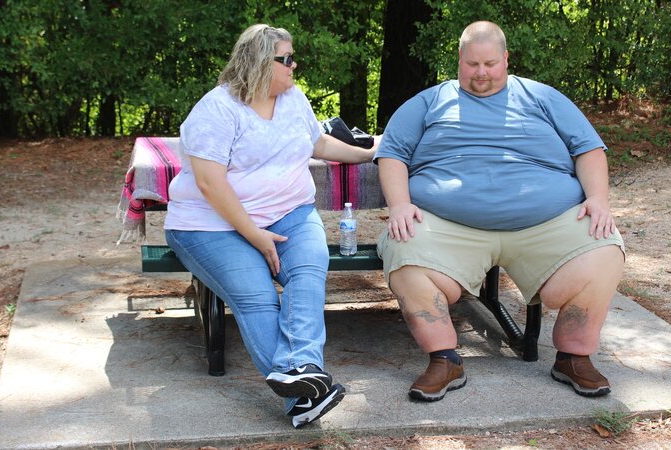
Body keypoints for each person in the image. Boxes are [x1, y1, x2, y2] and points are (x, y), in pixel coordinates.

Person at [374, 21, 625, 401]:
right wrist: (400, 205)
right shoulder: (429, 102)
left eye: (490, 64)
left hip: (546, 225)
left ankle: (574, 356)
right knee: (402, 247)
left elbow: (588, 149)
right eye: (472, 64)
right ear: (459, 61)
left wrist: (598, 199)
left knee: (605, 244)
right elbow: (392, 153)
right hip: (449, 227)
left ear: (506, 59)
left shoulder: (543, 98)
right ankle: (443, 359)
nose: (481, 74)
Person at [164, 24, 376, 428]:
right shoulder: (216, 110)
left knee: (308, 273)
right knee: (257, 297)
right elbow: (210, 183)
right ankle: (305, 391)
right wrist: (254, 234)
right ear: (260, 62)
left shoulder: (293, 98)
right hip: (211, 224)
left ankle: (302, 377)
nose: (295, 65)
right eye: (287, 59)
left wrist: (367, 154)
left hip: (290, 212)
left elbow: (318, 144)